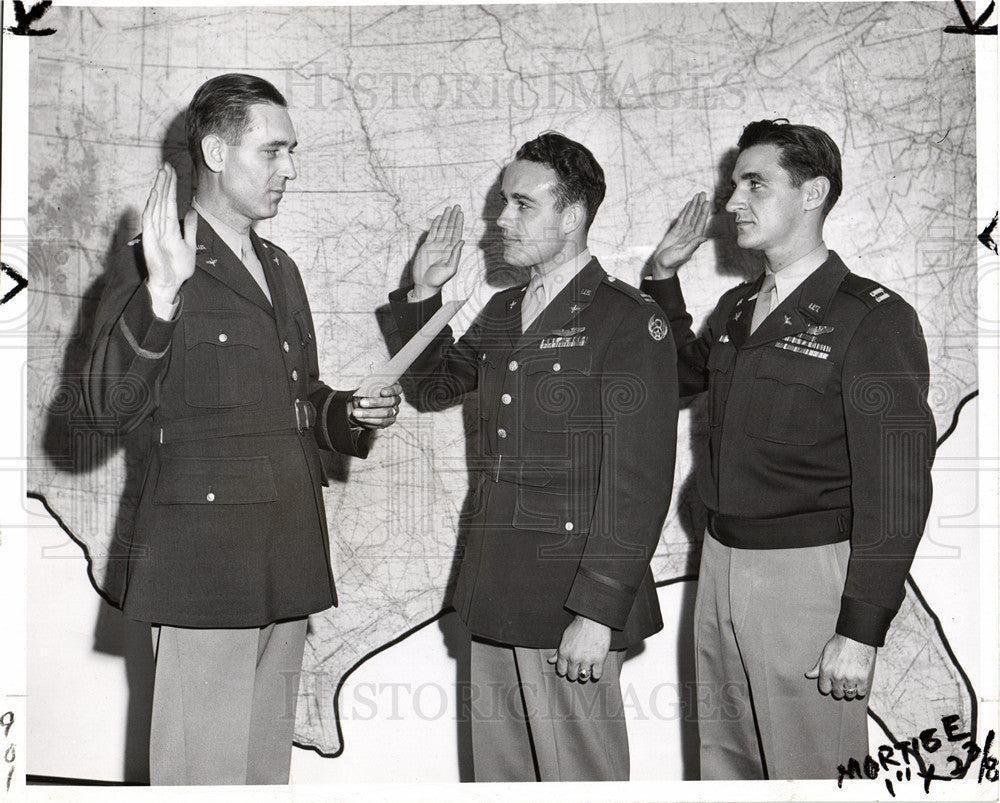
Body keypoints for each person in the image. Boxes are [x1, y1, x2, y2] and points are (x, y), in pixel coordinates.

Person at [82, 73, 401, 785]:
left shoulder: (279, 266)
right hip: (205, 567)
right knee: (201, 777)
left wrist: (346, 412)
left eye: (292, 152)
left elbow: (295, 396)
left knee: (261, 777)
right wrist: (162, 294)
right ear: (217, 152)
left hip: (286, 554)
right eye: (274, 151)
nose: (289, 169)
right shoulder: (152, 257)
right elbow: (107, 405)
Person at [642, 119, 936, 779]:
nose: (731, 203)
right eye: (732, 184)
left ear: (813, 193)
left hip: (806, 575)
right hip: (719, 563)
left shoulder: (871, 318)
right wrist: (662, 277)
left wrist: (860, 628)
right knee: (728, 764)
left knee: (813, 769)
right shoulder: (741, 305)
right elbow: (672, 373)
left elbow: (898, 487)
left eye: (755, 183)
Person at [388, 132, 679, 782]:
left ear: (571, 215)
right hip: (495, 590)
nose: (500, 220)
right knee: (503, 779)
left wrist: (599, 611)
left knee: (579, 776)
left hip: (569, 599)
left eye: (521, 204)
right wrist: (422, 294)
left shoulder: (628, 320)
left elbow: (639, 482)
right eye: (502, 204)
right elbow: (432, 383)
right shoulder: (504, 308)